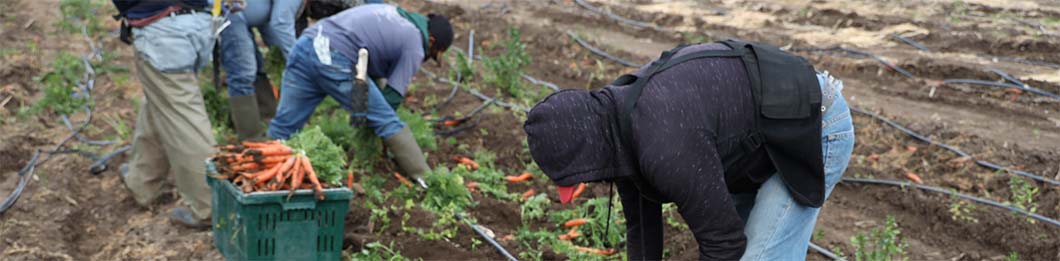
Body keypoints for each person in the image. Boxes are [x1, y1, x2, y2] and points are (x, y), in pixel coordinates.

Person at [524, 40, 855, 260]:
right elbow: (642, 226)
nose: (589, 184)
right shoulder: (617, 123)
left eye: (580, 177)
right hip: (757, 136)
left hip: (814, 125)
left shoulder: (665, 145)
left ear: (588, 155)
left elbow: (723, 244)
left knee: (759, 256)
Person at [267, 4, 453, 187]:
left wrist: (363, 112)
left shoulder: (394, 14)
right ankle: (426, 180)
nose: (428, 57)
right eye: (434, 54)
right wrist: (375, 128)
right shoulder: (415, 45)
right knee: (387, 120)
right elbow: (392, 98)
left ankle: (263, 171)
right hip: (334, 56)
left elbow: (369, 63)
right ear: (431, 41)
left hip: (307, 45)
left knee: (284, 126)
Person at [111, 0, 217, 228]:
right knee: (163, 100)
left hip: (164, 31)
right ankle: (143, 181)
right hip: (197, 23)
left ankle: (210, 206)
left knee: (183, 119)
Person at [218, 0, 303, 140]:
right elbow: (281, 24)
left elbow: (272, 28)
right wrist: (299, 64)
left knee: (258, 66)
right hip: (231, 10)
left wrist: (281, 53)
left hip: (249, 14)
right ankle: (251, 139)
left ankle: (270, 124)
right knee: (243, 72)